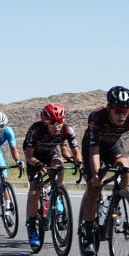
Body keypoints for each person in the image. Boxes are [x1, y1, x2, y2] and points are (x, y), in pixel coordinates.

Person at [80, 86, 129, 256]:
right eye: (118, 111)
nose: (122, 115)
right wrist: (97, 175)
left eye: (125, 110)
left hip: (113, 146)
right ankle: (88, 235)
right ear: (109, 108)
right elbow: (94, 151)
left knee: (124, 168)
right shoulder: (97, 117)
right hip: (93, 148)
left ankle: (116, 199)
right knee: (93, 188)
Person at [24, 103, 82, 246]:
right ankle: (32, 227)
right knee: (35, 190)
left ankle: (56, 192)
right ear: (45, 122)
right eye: (52, 122)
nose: (57, 125)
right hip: (34, 156)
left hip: (50, 152)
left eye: (60, 121)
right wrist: (37, 164)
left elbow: (72, 151)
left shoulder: (67, 130)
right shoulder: (36, 129)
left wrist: (78, 162)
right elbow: (28, 155)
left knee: (59, 166)